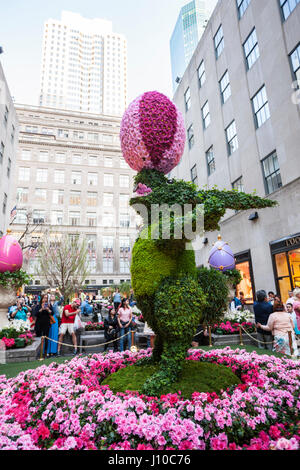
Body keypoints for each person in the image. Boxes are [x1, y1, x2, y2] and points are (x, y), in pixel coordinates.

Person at [47, 291, 63, 356]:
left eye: (53, 296)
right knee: (49, 334)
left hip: (55, 319)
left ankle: (54, 351)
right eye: (51, 296)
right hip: (49, 319)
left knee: (55, 334)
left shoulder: (56, 303)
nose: (52, 296)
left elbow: (62, 299)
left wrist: (59, 292)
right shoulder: (47, 303)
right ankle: (49, 351)